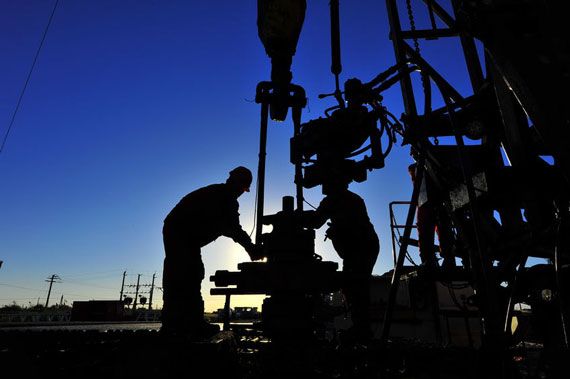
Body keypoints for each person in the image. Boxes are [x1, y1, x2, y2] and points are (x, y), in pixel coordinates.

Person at [161, 166, 261, 339]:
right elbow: (233, 228)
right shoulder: (225, 197)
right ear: (237, 184)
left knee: (181, 274)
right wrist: (251, 248)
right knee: (189, 273)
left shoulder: (219, 193)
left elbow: (229, 227)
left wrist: (249, 247)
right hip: (182, 233)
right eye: (243, 189)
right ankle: (188, 324)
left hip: (181, 233)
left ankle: (175, 324)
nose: (242, 193)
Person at [304, 180, 379, 342]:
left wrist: (296, 217)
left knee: (356, 286)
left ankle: (362, 330)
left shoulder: (332, 200)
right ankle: (361, 327)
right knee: (357, 286)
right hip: (367, 245)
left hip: (359, 247)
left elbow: (315, 222)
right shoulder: (355, 198)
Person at [408, 161, 456, 272]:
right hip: (432, 201)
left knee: (436, 228)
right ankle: (439, 260)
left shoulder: (416, 168)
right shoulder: (418, 168)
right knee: (441, 227)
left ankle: (433, 260)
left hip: (431, 202)